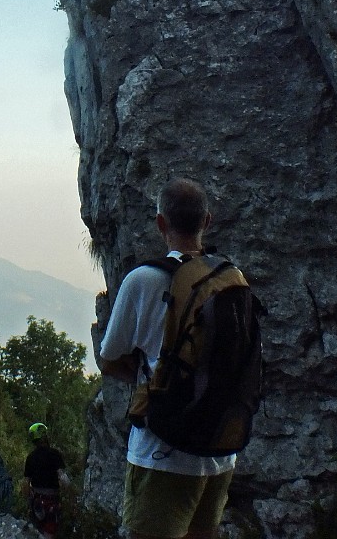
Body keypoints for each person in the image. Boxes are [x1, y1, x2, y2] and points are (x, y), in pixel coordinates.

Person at [98, 178, 237, 539]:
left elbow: (108, 358)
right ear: (207, 220)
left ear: (161, 224)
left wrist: (156, 378)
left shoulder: (143, 280)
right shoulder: (232, 280)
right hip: (219, 451)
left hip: (161, 450)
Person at [22, 422, 70, 537]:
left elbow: (25, 483)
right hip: (52, 500)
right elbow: (64, 479)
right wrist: (70, 498)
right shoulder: (54, 454)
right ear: (45, 436)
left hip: (36, 501)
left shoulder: (31, 457)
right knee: (49, 533)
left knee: (36, 532)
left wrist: (29, 501)